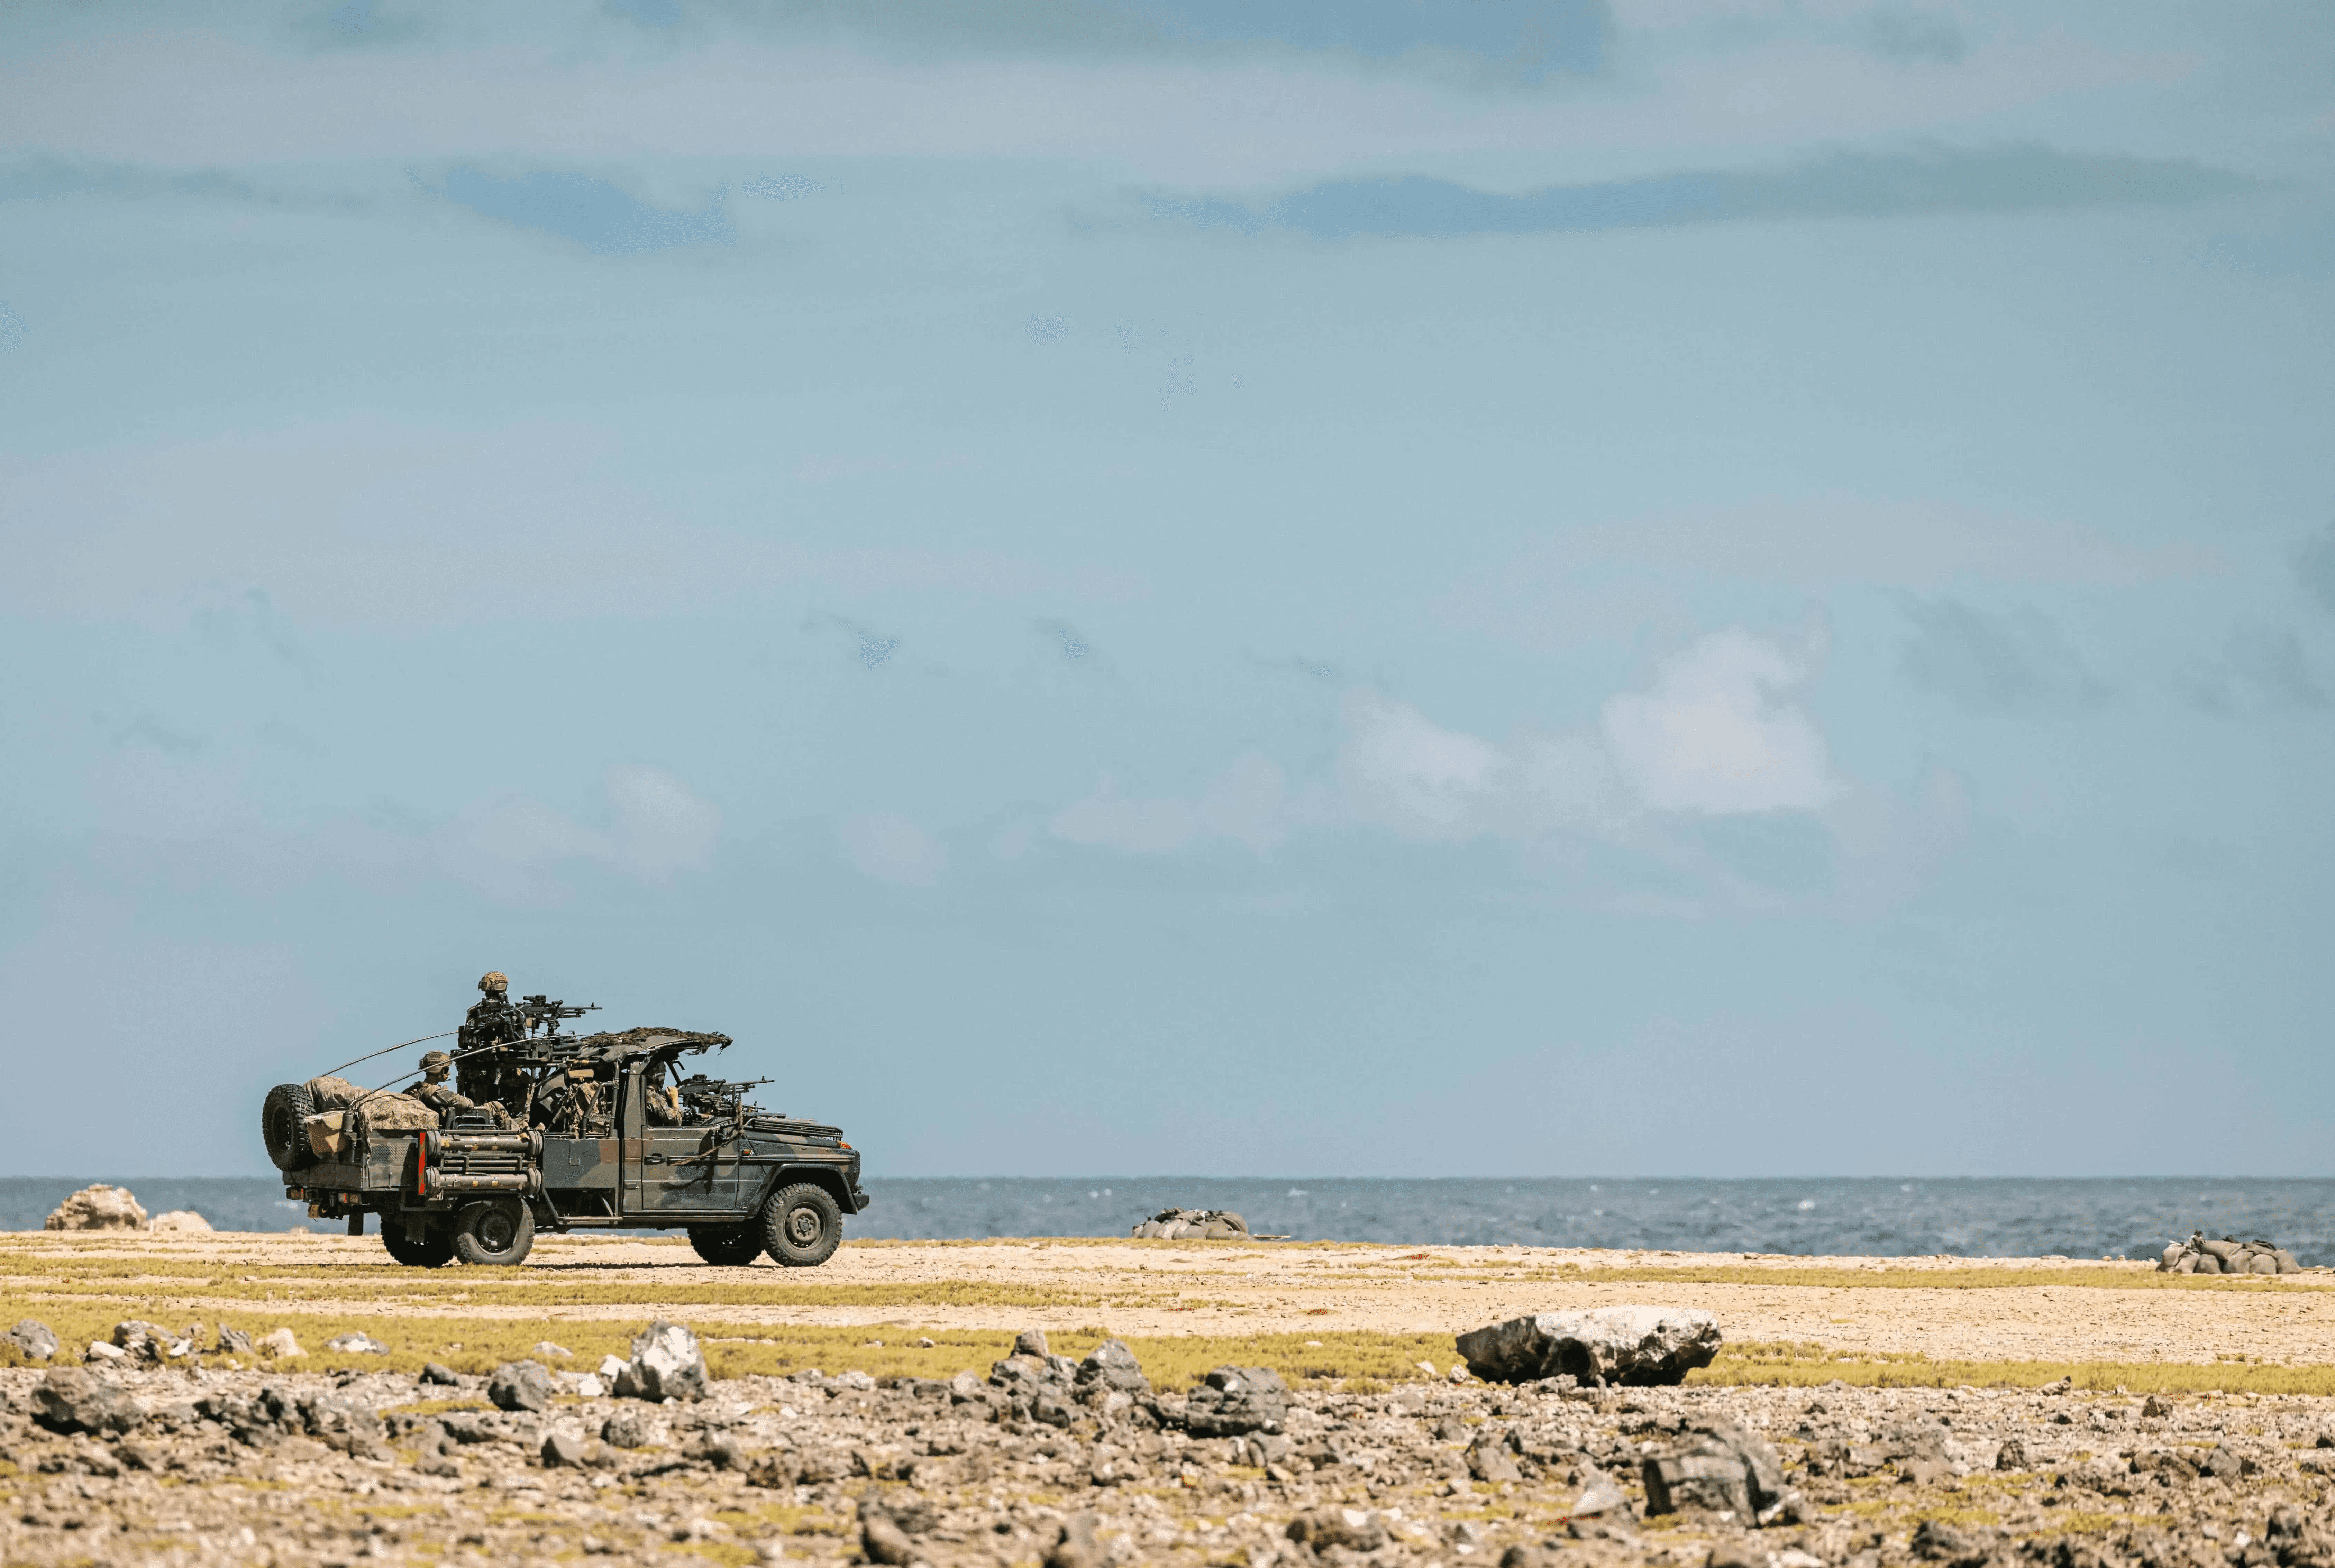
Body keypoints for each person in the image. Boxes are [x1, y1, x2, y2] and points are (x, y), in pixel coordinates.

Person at [456, 971, 529, 1115]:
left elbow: (465, 1042)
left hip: (479, 1072)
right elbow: (520, 1043)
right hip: (507, 1071)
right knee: (526, 1080)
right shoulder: (516, 1013)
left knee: (479, 1108)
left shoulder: (474, 1012)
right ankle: (520, 1119)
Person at [405, 1050, 476, 1117]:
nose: (448, 1074)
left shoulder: (415, 1088)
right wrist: (472, 1103)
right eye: (446, 1070)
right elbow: (463, 1103)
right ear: (437, 1070)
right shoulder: (434, 1091)